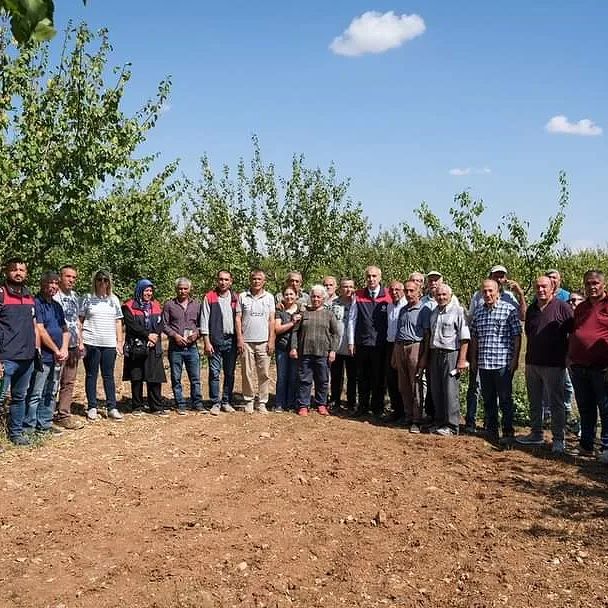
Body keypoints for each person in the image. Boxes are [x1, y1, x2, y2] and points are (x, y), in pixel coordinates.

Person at [515, 276, 572, 453]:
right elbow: (528, 333)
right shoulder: (532, 309)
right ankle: (536, 433)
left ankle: (558, 439)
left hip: (554, 364)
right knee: (535, 401)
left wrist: (569, 357)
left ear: (552, 287)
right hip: (532, 363)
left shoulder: (563, 307)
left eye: (544, 287)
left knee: (556, 402)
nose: (540, 290)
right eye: (537, 287)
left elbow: (573, 333)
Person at [466, 264, 525, 432]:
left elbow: (517, 336)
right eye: (484, 291)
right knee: (489, 399)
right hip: (484, 363)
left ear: (498, 292)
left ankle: (507, 431)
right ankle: (491, 429)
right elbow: (475, 337)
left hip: (502, 364)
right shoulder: (479, 312)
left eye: (491, 291)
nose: (487, 294)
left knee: (505, 399)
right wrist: (474, 359)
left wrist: (514, 360)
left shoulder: (509, 310)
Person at [419, 284, 470, 436]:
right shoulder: (434, 312)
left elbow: (465, 338)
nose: (441, 297)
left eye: (444, 295)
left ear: (450, 295)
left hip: (451, 354)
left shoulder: (458, 311)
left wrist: (462, 360)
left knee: (449, 390)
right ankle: (439, 422)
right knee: (436, 389)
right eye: (438, 295)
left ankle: (452, 426)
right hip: (435, 353)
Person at [568, 270, 608, 457]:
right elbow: (577, 331)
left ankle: (606, 447)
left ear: (603, 284)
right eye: (588, 284)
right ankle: (586, 445)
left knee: (606, 408)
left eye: (595, 283)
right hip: (579, 366)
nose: (591, 287)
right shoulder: (581, 308)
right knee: (586, 408)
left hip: (602, 367)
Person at [24, 272, 69, 436]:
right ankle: (29, 426)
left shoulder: (57, 306)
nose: (54, 286)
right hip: (43, 356)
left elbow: (65, 330)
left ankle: (45, 424)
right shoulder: (37, 303)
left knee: (51, 391)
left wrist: (64, 349)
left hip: (58, 357)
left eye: (56, 283)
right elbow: (40, 330)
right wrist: (56, 350)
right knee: (36, 392)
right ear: (42, 284)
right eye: (50, 283)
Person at [0, 258, 39, 445]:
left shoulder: (29, 295)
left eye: (22, 270)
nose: (18, 273)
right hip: (6, 358)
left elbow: (34, 325)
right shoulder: (1, 294)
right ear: (6, 272)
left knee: (19, 397)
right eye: (14, 269)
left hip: (27, 358)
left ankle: (16, 434)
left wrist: (36, 351)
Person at [79, 269, 124, 421]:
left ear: (109, 282)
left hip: (109, 343)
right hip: (91, 341)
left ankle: (112, 407)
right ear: (95, 281)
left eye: (105, 280)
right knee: (91, 375)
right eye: (99, 279)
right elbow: (80, 320)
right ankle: (92, 406)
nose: (102, 282)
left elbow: (118, 321)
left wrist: (119, 341)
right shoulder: (87, 298)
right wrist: (80, 341)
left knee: (108, 375)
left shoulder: (114, 300)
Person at [348, 265, 391, 419]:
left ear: (380, 277)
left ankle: (378, 408)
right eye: (368, 276)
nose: (371, 279)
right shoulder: (358, 295)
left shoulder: (388, 295)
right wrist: (351, 342)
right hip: (362, 343)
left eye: (374, 276)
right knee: (362, 377)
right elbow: (352, 319)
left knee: (379, 378)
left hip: (381, 344)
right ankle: (363, 407)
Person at [290, 285, 340, 416]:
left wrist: (333, 350)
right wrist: (294, 347)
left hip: (323, 353)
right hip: (305, 352)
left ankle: (321, 404)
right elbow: (295, 332)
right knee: (304, 380)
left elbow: (336, 334)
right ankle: (303, 405)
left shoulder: (329, 314)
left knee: (322, 380)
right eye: (313, 296)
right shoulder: (303, 313)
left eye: (318, 297)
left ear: (323, 298)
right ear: (310, 297)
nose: (316, 299)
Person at [122, 279, 167, 416]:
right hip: (136, 345)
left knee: (154, 376)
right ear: (139, 290)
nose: (148, 293)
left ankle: (156, 407)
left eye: (150, 291)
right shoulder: (129, 306)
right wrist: (148, 336)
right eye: (146, 290)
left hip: (153, 345)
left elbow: (161, 323)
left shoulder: (156, 305)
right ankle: (137, 406)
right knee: (137, 375)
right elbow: (131, 325)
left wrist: (155, 337)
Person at [162, 277, 204, 414]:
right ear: (176, 289)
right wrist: (175, 336)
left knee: (195, 377)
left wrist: (196, 334)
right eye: (180, 288)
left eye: (185, 288)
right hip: (176, 347)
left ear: (190, 289)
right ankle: (180, 404)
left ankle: (197, 403)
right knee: (176, 377)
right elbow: (164, 324)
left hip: (192, 347)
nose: (183, 291)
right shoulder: (169, 305)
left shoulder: (197, 305)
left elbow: (201, 324)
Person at [236, 269, 276, 413]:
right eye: (254, 279)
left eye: (259, 279)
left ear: (264, 281)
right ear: (250, 280)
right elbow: (238, 319)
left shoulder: (269, 297)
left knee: (264, 373)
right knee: (247, 372)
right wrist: (240, 338)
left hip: (264, 341)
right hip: (246, 341)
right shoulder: (242, 296)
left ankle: (262, 402)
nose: (256, 281)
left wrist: (271, 340)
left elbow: (272, 320)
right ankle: (249, 400)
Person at [201, 271, 238, 415]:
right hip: (215, 340)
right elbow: (204, 320)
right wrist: (206, 341)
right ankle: (215, 402)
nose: (223, 282)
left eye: (226, 280)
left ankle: (226, 401)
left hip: (232, 340)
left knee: (229, 373)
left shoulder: (236, 297)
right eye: (221, 279)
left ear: (231, 281)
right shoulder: (209, 297)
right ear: (217, 281)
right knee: (214, 372)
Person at [53, 265, 85, 429]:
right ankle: (46, 416)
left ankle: (63, 414)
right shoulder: (54, 296)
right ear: (60, 277)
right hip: (57, 347)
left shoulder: (74, 297)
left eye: (74, 277)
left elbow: (76, 321)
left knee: (69, 382)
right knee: (52, 382)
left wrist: (80, 341)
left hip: (72, 347)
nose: (71, 280)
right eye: (68, 276)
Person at [391, 280, 425, 432]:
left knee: (416, 384)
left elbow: (427, 335)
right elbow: (398, 332)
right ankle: (408, 415)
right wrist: (394, 353)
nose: (409, 294)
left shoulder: (424, 310)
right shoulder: (403, 310)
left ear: (419, 292)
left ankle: (417, 420)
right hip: (400, 347)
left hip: (415, 347)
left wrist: (424, 357)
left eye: (412, 291)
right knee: (403, 385)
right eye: (407, 290)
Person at [329, 278, 357, 413]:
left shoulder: (358, 303)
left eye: (351, 287)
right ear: (340, 288)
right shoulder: (334, 303)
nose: (348, 289)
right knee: (336, 376)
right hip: (337, 345)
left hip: (352, 346)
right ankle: (335, 400)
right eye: (345, 287)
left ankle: (351, 402)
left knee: (352, 376)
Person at [274, 287, 302, 412]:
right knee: (282, 376)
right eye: (286, 294)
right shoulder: (279, 311)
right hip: (282, 347)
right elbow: (277, 329)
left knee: (293, 376)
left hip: (297, 348)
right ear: (282, 296)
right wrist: (292, 323)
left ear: (296, 296)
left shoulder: (302, 310)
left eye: (291, 294)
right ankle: (279, 403)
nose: (289, 297)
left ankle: (291, 403)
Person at [385, 280, 406, 422]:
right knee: (391, 379)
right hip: (389, 344)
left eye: (397, 289)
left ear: (402, 290)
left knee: (403, 380)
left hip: (402, 345)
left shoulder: (407, 305)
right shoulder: (389, 306)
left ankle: (405, 412)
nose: (394, 292)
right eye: (391, 290)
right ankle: (396, 410)